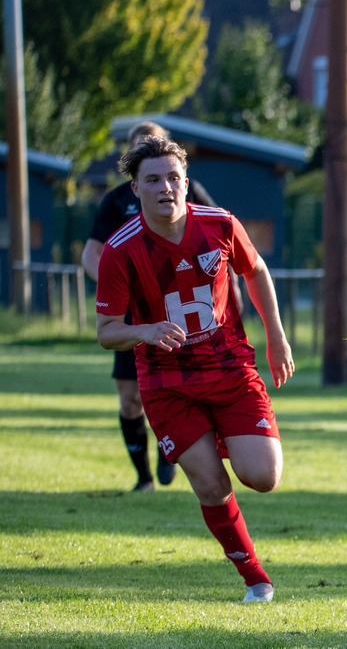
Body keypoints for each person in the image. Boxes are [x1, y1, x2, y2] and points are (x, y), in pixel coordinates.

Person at [95, 136, 294, 603]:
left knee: (264, 477)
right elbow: (106, 331)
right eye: (153, 180)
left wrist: (277, 336)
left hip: (230, 369)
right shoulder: (120, 251)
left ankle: (218, 437)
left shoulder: (220, 224)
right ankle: (256, 580)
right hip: (167, 384)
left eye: (173, 178)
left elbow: (256, 270)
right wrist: (144, 331)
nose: (166, 187)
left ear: (187, 182)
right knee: (210, 484)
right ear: (135, 189)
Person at [83, 121, 217, 492]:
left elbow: (218, 239)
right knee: (130, 399)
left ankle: (169, 445)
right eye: (139, 146)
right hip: (133, 316)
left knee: (184, 390)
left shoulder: (189, 191)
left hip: (180, 309)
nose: (163, 186)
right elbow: (91, 253)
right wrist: (116, 289)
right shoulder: (115, 201)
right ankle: (143, 478)